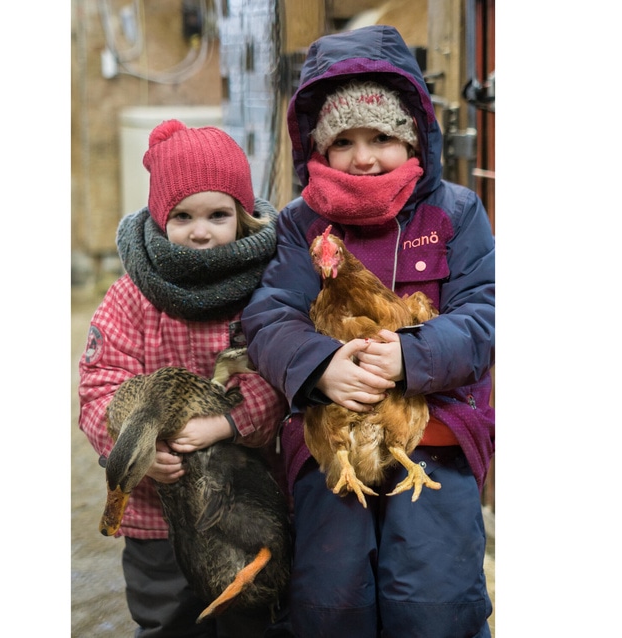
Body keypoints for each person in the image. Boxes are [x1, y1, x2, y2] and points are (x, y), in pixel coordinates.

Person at [241, 25, 495, 637]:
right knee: (332, 598)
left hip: (433, 434)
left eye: (381, 137)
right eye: (344, 140)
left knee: (434, 597)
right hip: (332, 436)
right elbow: (268, 313)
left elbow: (487, 311)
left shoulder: (455, 213)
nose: (363, 157)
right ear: (318, 148)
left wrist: (413, 356)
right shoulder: (299, 224)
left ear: (413, 136)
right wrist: (319, 365)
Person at [78, 119, 290, 638]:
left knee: (252, 615)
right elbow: (99, 385)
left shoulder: (267, 285)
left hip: (244, 505)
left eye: (218, 215)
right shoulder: (132, 296)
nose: (201, 231)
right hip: (156, 517)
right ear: (159, 218)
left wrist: (226, 425)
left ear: (242, 217)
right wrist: (140, 453)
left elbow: (281, 372)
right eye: (183, 215)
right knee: (168, 620)